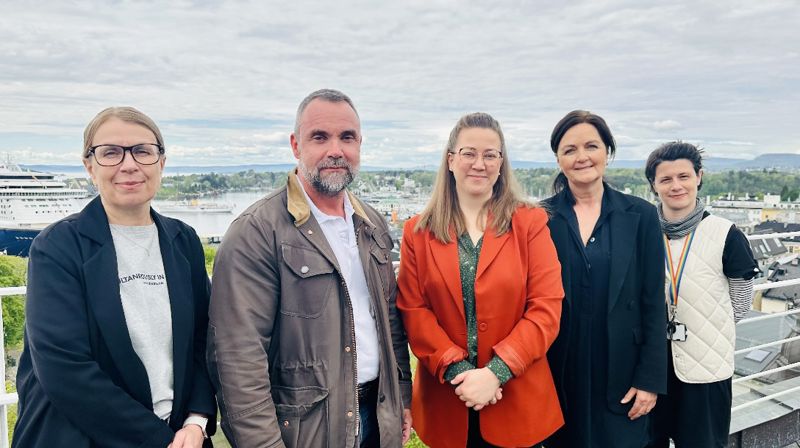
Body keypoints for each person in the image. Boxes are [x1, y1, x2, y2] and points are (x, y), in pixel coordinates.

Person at [207, 89, 412, 448]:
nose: (336, 149)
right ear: (295, 145)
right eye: (320, 137)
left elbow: (390, 325)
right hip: (305, 430)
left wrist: (402, 400)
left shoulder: (371, 224)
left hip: (378, 419)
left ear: (359, 144)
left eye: (347, 137)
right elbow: (238, 358)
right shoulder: (257, 232)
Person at [13, 107, 217, 447]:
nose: (129, 164)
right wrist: (157, 440)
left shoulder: (183, 240)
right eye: (110, 153)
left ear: (161, 162)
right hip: (84, 437)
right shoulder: (57, 247)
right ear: (89, 167)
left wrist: (196, 421)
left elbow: (202, 340)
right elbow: (65, 368)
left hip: (181, 435)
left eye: (142, 151)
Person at [396, 112, 565, 447]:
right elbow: (414, 312)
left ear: (501, 164)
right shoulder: (417, 231)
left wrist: (495, 373)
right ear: (450, 160)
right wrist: (461, 374)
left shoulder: (530, 223)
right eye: (469, 153)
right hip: (447, 401)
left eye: (490, 155)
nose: (479, 163)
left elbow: (546, 309)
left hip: (516, 399)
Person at [543, 110, 667, 448]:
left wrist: (650, 380)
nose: (582, 157)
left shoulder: (640, 215)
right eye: (570, 150)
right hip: (561, 372)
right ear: (558, 158)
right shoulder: (540, 219)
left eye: (591, 146)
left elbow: (654, 302)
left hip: (624, 374)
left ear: (607, 153)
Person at [645, 142, 758, 448]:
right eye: (665, 179)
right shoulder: (644, 231)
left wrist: (711, 325)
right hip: (651, 369)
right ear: (654, 185)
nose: (676, 186)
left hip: (706, 370)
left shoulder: (725, 233)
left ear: (699, 177)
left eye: (683, 176)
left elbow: (741, 299)